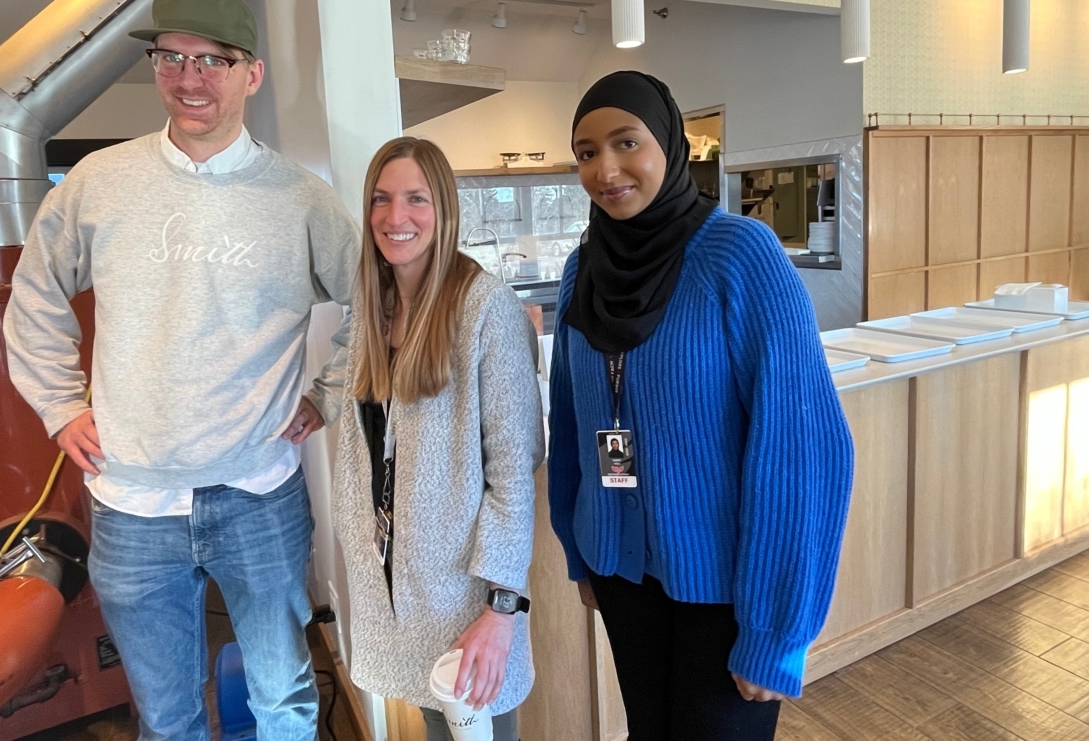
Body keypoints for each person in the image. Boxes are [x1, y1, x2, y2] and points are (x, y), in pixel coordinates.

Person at [4, 0, 360, 741]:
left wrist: (329, 392)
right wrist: (60, 405)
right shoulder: (98, 183)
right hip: (132, 502)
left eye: (212, 60)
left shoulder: (302, 199)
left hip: (258, 492)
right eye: (171, 58)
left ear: (250, 75)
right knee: (167, 717)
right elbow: (33, 297)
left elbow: (375, 309)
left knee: (286, 700)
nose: (189, 77)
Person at [547, 71, 854, 741]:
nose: (607, 169)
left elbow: (801, 452)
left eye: (626, 142)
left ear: (668, 145)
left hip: (726, 592)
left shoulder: (741, 257)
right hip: (622, 575)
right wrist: (581, 548)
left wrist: (775, 632)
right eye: (587, 152)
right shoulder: (584, 269)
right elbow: (569, 422)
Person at [331, 137, 545, 741]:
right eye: (381, 199)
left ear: (444, 209)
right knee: (432, 726)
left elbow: (513, 471)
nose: (395, 218)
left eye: (415, 199)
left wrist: (502, 610)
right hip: (398, 589)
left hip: (467, 597)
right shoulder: (376, 310)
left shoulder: (484, 309)